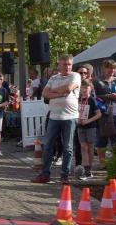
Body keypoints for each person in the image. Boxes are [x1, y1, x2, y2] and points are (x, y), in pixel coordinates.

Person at [32, 55, 81, 184]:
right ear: (59, 65)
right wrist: (61, 93)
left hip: (70, 117)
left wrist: (53, 92)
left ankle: (64, 175)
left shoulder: (75, 76)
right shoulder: (53, 78)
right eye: (65, 64)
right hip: (54, 116)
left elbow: (69, 88)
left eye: (69, 64)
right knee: (48, 145)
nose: (67, 67)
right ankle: (45, 174)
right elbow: (45, 93)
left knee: (68, 147)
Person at [93, 59, 116, 168]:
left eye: (114, 68)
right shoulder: (97, 81)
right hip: (104, 114)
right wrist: (109, 96)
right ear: (104, 68)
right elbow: (94, 97)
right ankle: (103, 164)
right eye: (109, 68)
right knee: (102, 140)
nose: (112, 70)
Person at [77, 79, 101, 180]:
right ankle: (86, 169)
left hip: (90, 127)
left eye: (86, 87)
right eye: (82, 87)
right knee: (83, 147)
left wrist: (88, 121)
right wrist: (77, 119)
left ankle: (89, 170)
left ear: (90, 88)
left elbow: (99, 114)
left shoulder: (92, 100)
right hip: (80, 126)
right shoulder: (78, 99)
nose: (84, 89)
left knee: (90, 148)